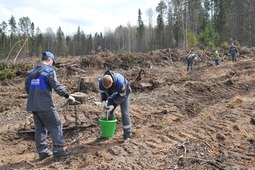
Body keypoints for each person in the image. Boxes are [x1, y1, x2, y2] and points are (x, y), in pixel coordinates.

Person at [25, 51, 75, 160]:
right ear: (49, 60)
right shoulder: (48, 71)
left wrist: (36, 96)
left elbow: (27, 89)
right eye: (53, 61)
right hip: (45, 105)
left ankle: (43, 153)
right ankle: (58, 151)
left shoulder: (32, 72)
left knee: (40, 129)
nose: (52, 64)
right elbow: (56, 85)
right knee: (56, 125)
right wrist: (67, 95)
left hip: (33, 105)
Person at [98, 70, 131, 142]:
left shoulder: (120, 82)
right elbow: (103, 92)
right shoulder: (101, 82)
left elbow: (122, 96)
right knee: (108, 112)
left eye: (108, 87)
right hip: (112, 94)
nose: (106, 89)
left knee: (124, 112)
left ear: (112, 82)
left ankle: (127, 135)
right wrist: (103, 100)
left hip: (124, 94)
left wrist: (114, 104)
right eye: (105, 87)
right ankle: (107, 134)